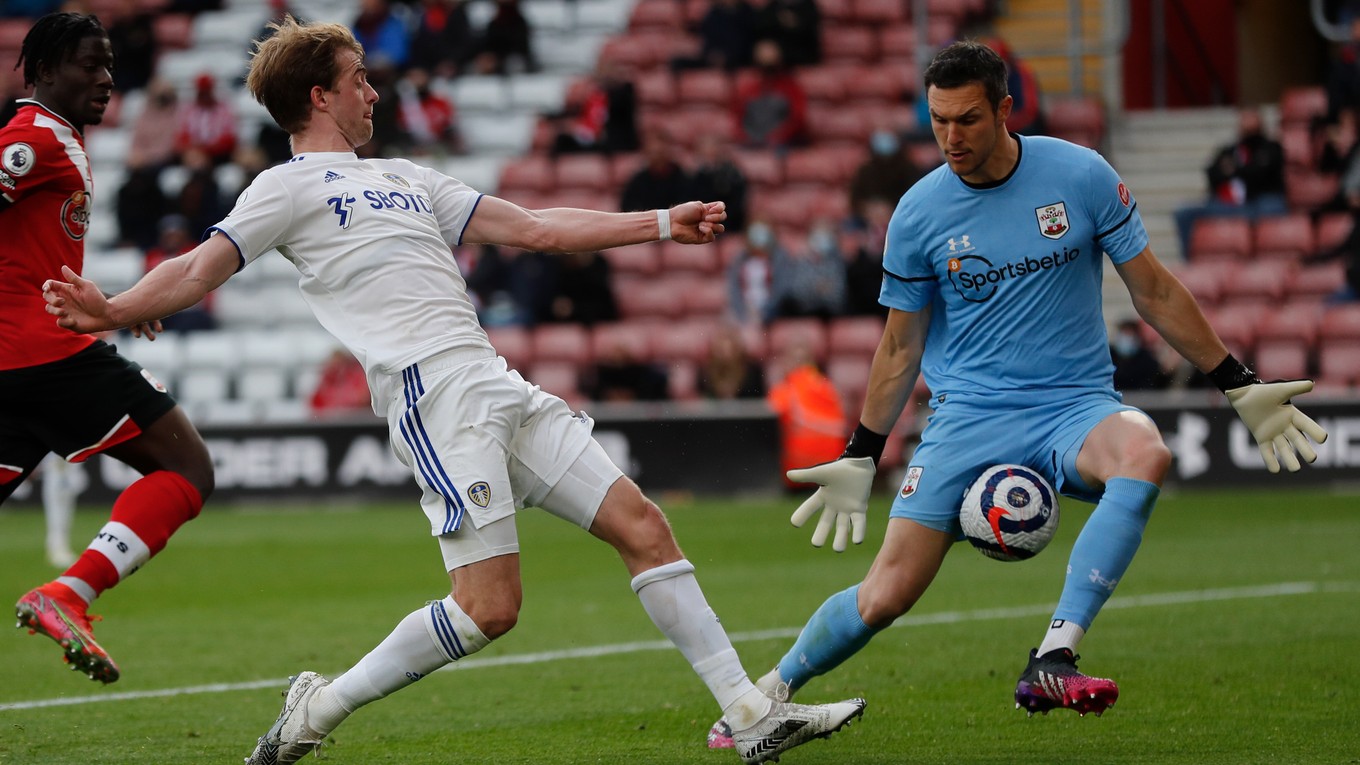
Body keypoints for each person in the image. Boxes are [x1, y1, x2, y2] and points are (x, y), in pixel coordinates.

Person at [41, 17, 864, 764]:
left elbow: (537, 227)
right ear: (321, 95)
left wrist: (658, 222)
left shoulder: (408, 175)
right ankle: (316, 708)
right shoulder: (283, 189)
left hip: (495, 382)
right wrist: (112, 310)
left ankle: (749, 714)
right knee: (488, 608)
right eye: (358, 78)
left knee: (644, 527)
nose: (373, 89)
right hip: (433, 398)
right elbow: (198, 267)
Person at [706, 39, 1328, 749]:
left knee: (1145, 452)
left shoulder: (1081, 174)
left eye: (967, 119)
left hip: (1075, 404)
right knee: (885, 594)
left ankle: (1054, 655)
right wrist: (861, 453)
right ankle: (764, 701)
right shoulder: (916, 215)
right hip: (968, 419)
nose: (951, 138)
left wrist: (1236, 382)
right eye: (937, 121)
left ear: (1006, 108)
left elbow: (1152, 289)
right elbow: (900, 347)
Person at [4, 12, 215, 686]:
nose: (104, 81)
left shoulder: (58, 137)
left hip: (20, 357)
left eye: (109, 69)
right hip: (40, 356)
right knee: (184, 466)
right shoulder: (33, 139)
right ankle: (69, 592)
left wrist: (105, 305)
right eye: (88, 67)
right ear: (42, 71)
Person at [1171, 107, 1286, 259]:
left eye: (1252, 122)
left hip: (1261, 204)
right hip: (1229, 205)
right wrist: (1245, 170)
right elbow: (1212, 173)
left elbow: (1261, 176)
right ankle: (1189, 263)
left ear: (1261, 124)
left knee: (1273, 207)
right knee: (1183, 212)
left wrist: (1235, 169)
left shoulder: (1272, 148)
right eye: (1244, 121)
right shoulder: (1229, 150)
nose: (1247, 126)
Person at [732, 39, 808, 151]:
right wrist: (749, 137)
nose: (767, 70)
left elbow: (797, 118)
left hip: (784, 144)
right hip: (753, 143)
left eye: (770, 65)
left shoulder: (791, 88)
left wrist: (778, 137)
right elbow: (739, 118)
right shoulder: (748, 89)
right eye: (763, 64)